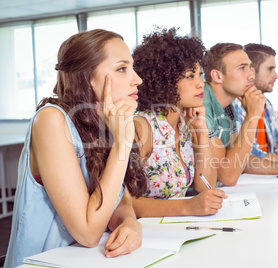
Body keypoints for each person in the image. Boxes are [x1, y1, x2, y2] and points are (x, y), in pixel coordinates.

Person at [5, 29, 147, 268]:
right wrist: (123, 142)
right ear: (88, 77)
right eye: (122, 68)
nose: (137, 79)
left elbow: (120, 202)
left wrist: (130, 222)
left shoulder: (105, 121)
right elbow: (88, 233)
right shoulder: (51, 121)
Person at [131, 28, 226, 218]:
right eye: (190, 76)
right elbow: (124, 203)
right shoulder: (143, 127)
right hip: (145, 236)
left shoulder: (184, 125)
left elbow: (205, 185)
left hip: (175, 229)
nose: (201, 84)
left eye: (200, 74)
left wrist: (201, 131)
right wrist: (188, 207)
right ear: (164, 80)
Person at [202, 43, 278, 187]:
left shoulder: (228, 107)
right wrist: (252, 116)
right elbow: (228, 176)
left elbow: (242, 160)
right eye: (242, 68)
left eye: (250, 67)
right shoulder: (203, 104)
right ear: (217, 76)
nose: (251, 75)